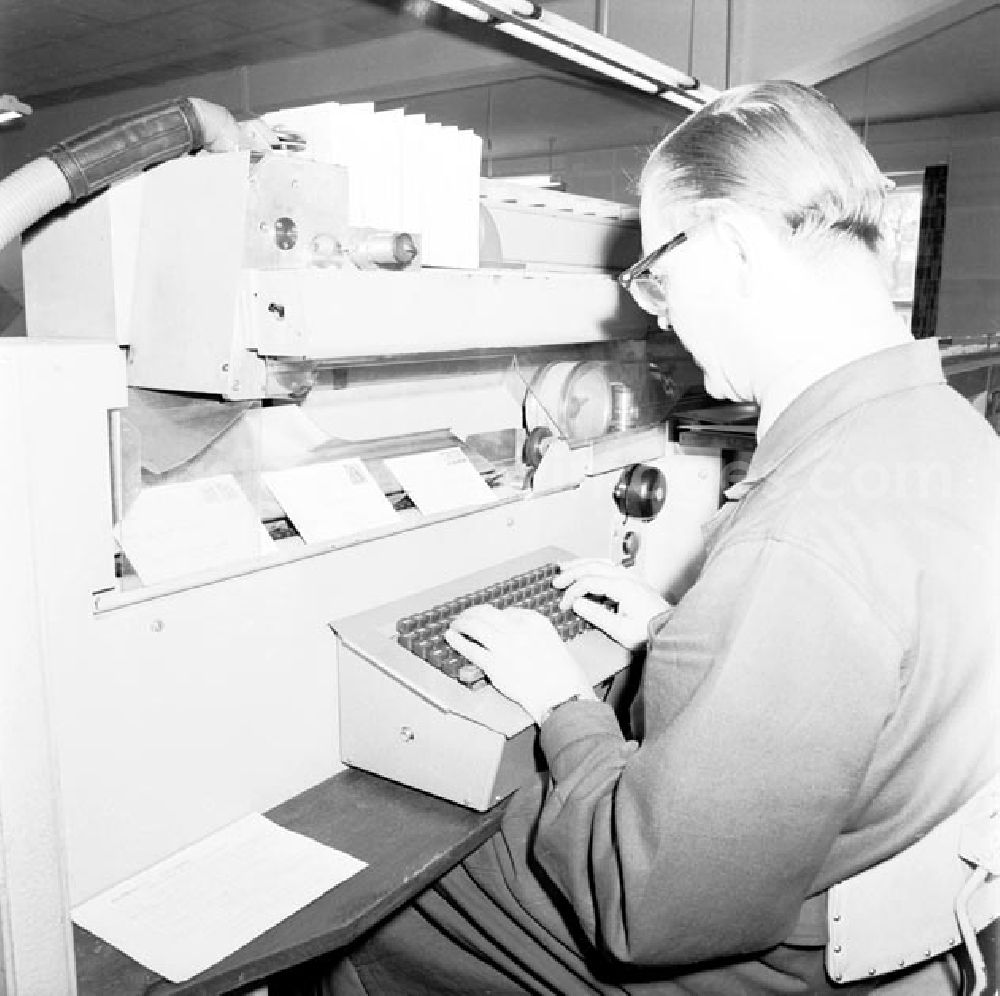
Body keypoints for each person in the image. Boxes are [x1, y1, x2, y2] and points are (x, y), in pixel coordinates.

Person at [281, 80, 999, 995]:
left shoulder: (803, 536)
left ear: (732, 246)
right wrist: (676, 637)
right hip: (888, 913)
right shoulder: (947, 435)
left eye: (660, 273)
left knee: (389, 885)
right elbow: (862, 672)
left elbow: (647, 902)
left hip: (761, 963)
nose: (660, 313)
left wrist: (559, 702)